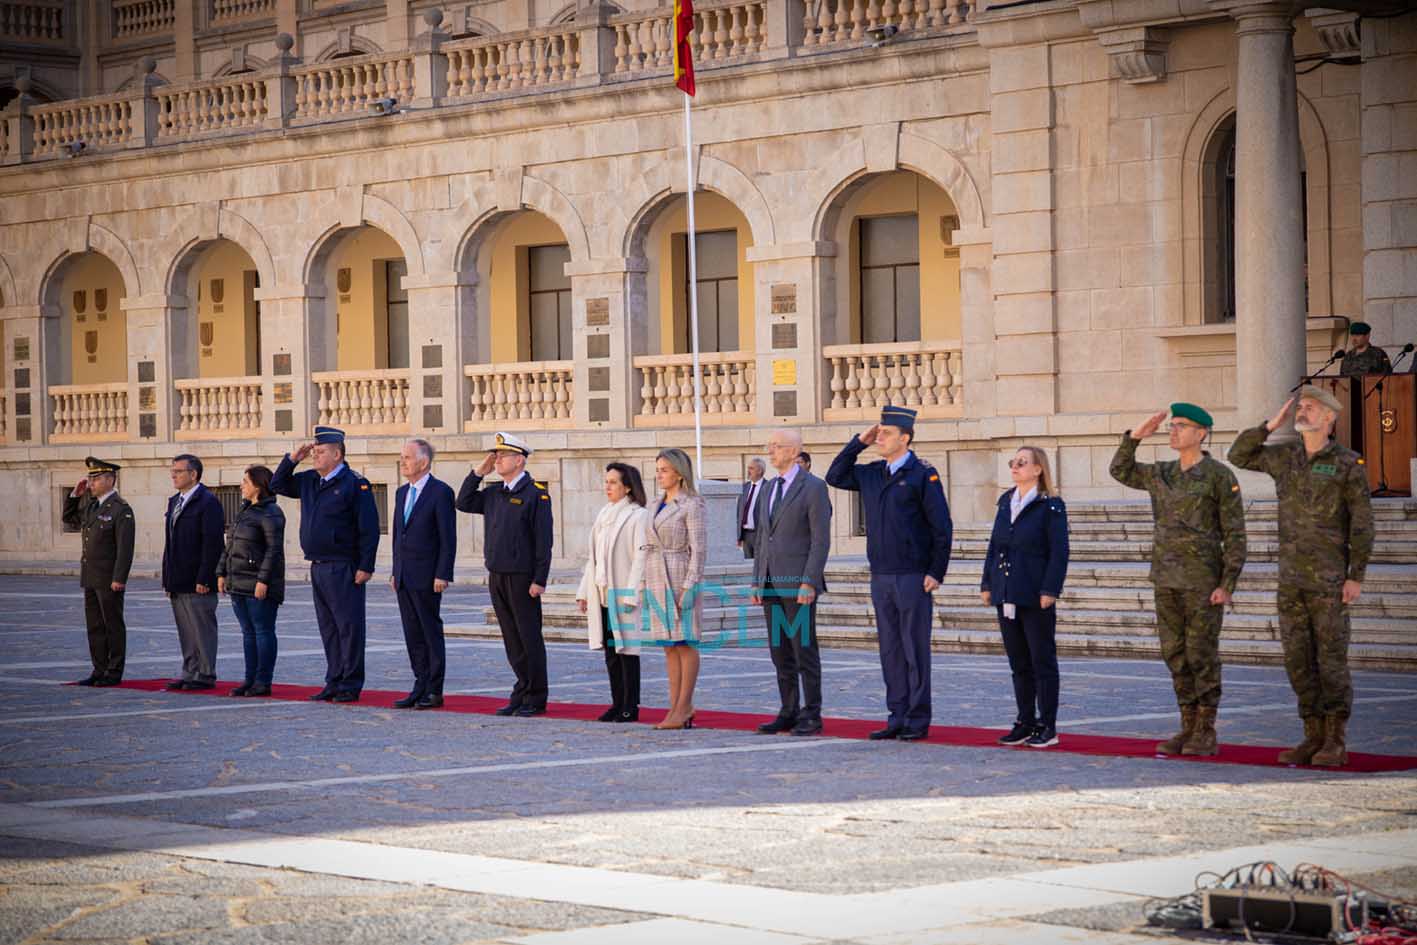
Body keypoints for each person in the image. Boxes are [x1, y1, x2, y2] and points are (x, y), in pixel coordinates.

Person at [1229, 386, 1374, 767]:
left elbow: (1361, 523)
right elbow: (1238, 454)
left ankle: (1335, 739)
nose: (1304, 412)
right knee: (1297, 660)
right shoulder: (1284, 456)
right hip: (1291, 579)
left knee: (1330, 660)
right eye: (1302, 407)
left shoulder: (1347, 463)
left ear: (1330, 418)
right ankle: (1311, 735)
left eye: (1311, 408)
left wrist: (1355, 574)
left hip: (1328, 580)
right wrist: (1268, 426)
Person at [1110, 403, 1247, 756]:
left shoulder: (1219, 475)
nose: (1173, 431)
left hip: (1202, 580)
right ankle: (1187, 726)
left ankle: (1206, 729)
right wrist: (1135, 437)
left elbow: (1234, 534)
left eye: (1181, 426)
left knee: (1201, 654)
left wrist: (1227, 583)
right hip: (1166, 578)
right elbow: (1120, 471)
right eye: (1172, 426)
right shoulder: (1162, 473)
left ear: (1201, 433)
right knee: (1175, 653)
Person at [826, 405, 952, 742]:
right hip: (881, 575)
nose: (880, 436)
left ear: (905, 438)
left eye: (886, 433)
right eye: (878, 432)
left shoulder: (922, 474)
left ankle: (917, 718)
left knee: (914, 649)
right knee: (890, 650)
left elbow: (942, 526)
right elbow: (834, 476)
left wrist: (936, 571)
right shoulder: (872, 473)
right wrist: (858, 442)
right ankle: (897, 715)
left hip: (913, 575)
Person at [271, 426, 380, 703]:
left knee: (349, 627)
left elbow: (368, 528)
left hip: (344, 565)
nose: (314, 456)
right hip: (318, 565)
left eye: (320, 452)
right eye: (314, 452)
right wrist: (292, 459)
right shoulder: (309, 480)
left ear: (337, 454)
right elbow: (277, 485)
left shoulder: (355, 483)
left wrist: (365, 566)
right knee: (328, 628)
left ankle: (350, 683)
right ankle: (334, 679)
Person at [457, 432, 553, 717]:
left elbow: (543, 539)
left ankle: (536, 696)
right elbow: (463, 502)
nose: (496, 460)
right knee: (511, 639)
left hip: (523, 578)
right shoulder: (494, 492)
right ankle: (521, 691)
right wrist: (477, 472)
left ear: (519, 460)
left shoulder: (536, 493)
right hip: (497, 574)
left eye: (502, 455)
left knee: (529, 638)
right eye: (495, 455)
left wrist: (540, 579)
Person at [981, 446, 1070, 749]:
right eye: (1013, 462)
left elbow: (1059, 553)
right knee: (1018, 661)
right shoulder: (1007, 501)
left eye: (1022, 463)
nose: (1015, 467)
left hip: (1034, 593)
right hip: (1007, 590)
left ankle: (1047, 725)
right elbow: (995, 546)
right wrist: (987, 583)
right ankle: (1024, 720)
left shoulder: (1051, 506)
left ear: (1038, 469)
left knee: (1042, 661)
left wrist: (1050, 590)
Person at [752, 429, 832, 736]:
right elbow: (762, 538)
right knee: (780, 651)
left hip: (798, 583)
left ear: (795, 450)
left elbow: (820, 540)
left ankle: (811, 713)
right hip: (772, 583)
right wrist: (757, 582)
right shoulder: (768, 487)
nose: (771, 452)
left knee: (803, 649)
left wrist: (810, 581)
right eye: (769, 446)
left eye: (777, 447)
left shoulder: (812, 487)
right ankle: (787, 709)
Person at [577, 462, 651, 722]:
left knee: (627, 651)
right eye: (606, 481)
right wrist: (585, 591)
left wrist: (632, 593)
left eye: (613, 482)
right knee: (610, 651)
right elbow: (593, 557)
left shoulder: (638, 515)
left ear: (627, 487)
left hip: (622, 592)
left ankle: (631, 705)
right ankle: (616, 702)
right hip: (602, 592)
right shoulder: (604, 514)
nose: (607, 486)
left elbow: (641, 557)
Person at [644, 447, 707, 730]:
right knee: (669, 646)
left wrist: (690, 585)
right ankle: (676, 707)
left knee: (685, 642)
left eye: (664, 470)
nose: (659, 475)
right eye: (657, 469)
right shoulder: (654, 503)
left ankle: (683, 707)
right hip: (657, 575)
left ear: (679, 473)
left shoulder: (692, 504)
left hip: (680, 572)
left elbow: (699, 550)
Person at [391, 438, 457, 710]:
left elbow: (447, 537)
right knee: (412, 633)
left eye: (407, 457)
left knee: (430, 632)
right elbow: (398, 535)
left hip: (428, 575)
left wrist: (443, 573)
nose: (403, 462)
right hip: (405, 575)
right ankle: (419, 683)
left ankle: (434, 689)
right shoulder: (400, 492)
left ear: (424, 461)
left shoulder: (440, 492)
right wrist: (396, 571)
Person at [63, 457, 134, 687]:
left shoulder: (121, 509)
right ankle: (99, 669)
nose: (90, 483)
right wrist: (74, 495)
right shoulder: (92, 506)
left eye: (95, 479)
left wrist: (119, 578)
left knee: (112, 624)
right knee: (94, 625)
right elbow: (69, 519)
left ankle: (114, 671)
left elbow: (125, 548)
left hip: (108, 578)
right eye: (90, 478)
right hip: (91, 575)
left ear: (109, 480)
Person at [216, 465, 286, 697]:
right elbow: (230, 545)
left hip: (258, 582)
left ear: (258, 485)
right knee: (248, 632)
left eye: (245, 481)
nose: (241, 486)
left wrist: (263, 580)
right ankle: (249, 679)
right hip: (239, 581)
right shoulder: (245, 511)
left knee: (263, 631)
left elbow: (273, 550)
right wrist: (221, 572)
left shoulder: (271, 512)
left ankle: (263, 681)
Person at [161, 454, 226, 692]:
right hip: (178, 578)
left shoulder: (207, 501)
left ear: (193, 474)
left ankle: (206, 673)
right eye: (173, 471)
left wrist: (205, 578)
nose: (173, 475)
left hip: (197, 579)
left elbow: (212, 544)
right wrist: (167, 577)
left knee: (202, 628)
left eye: (178, 471)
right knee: (186, 630)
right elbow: (169, 543)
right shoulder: (174, 501)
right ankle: (189, 671)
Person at [737, 458, 766, 560]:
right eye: (748, 468)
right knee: (748, 565)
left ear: (760, 470)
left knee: (761, 565)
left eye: (751, 468)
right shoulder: (744, 487)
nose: (748, 471)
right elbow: (739, 511)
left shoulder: (768, 487)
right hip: (746, 535)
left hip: (760, 534)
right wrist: (738, 535)